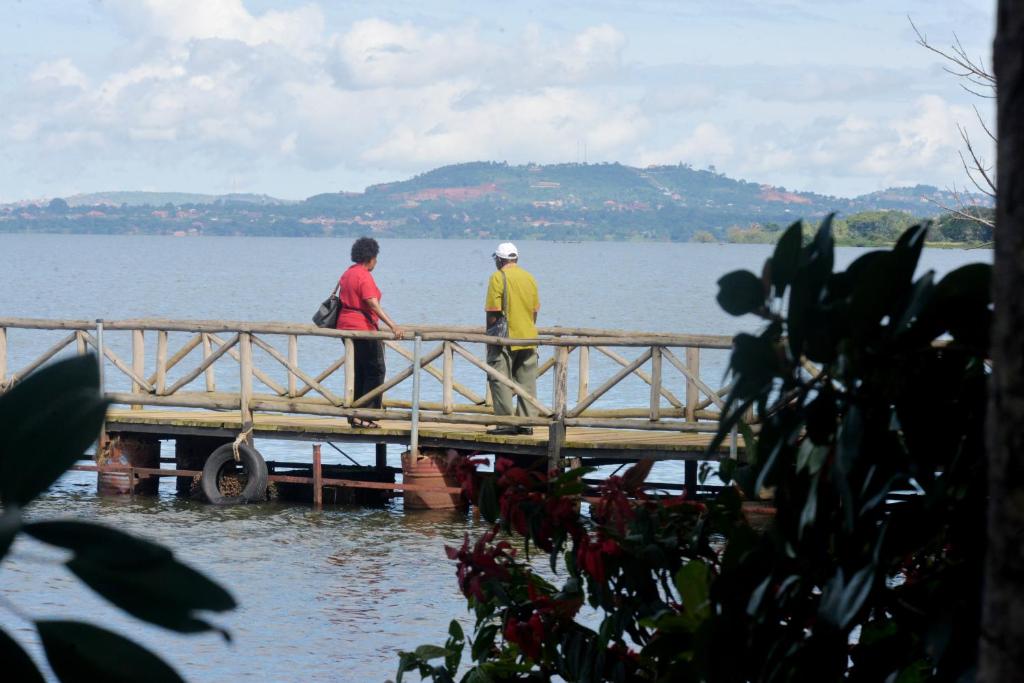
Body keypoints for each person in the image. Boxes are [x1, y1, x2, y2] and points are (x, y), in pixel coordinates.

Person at [336, 237, 403, 429]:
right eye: (376, 258)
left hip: (345, 326)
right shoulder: (363, 275)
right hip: (362, 328)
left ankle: (356, 414)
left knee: (360, 370)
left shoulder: (348, 273)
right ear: (371, 257)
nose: (376, 262)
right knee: (375, 370)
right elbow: (372, 302)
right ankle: (366, 415)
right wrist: (393, 326)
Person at [484, 242, 540, 435]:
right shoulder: (529, 278)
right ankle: (526, 423)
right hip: (529, 337)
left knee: (499, 379)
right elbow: (534, 312)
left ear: (500, 259)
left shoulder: (498, 277)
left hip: (506, 339)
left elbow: (493, 312)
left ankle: (506, 424)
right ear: (515, 258)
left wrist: (490, 337)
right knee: (527, 382)